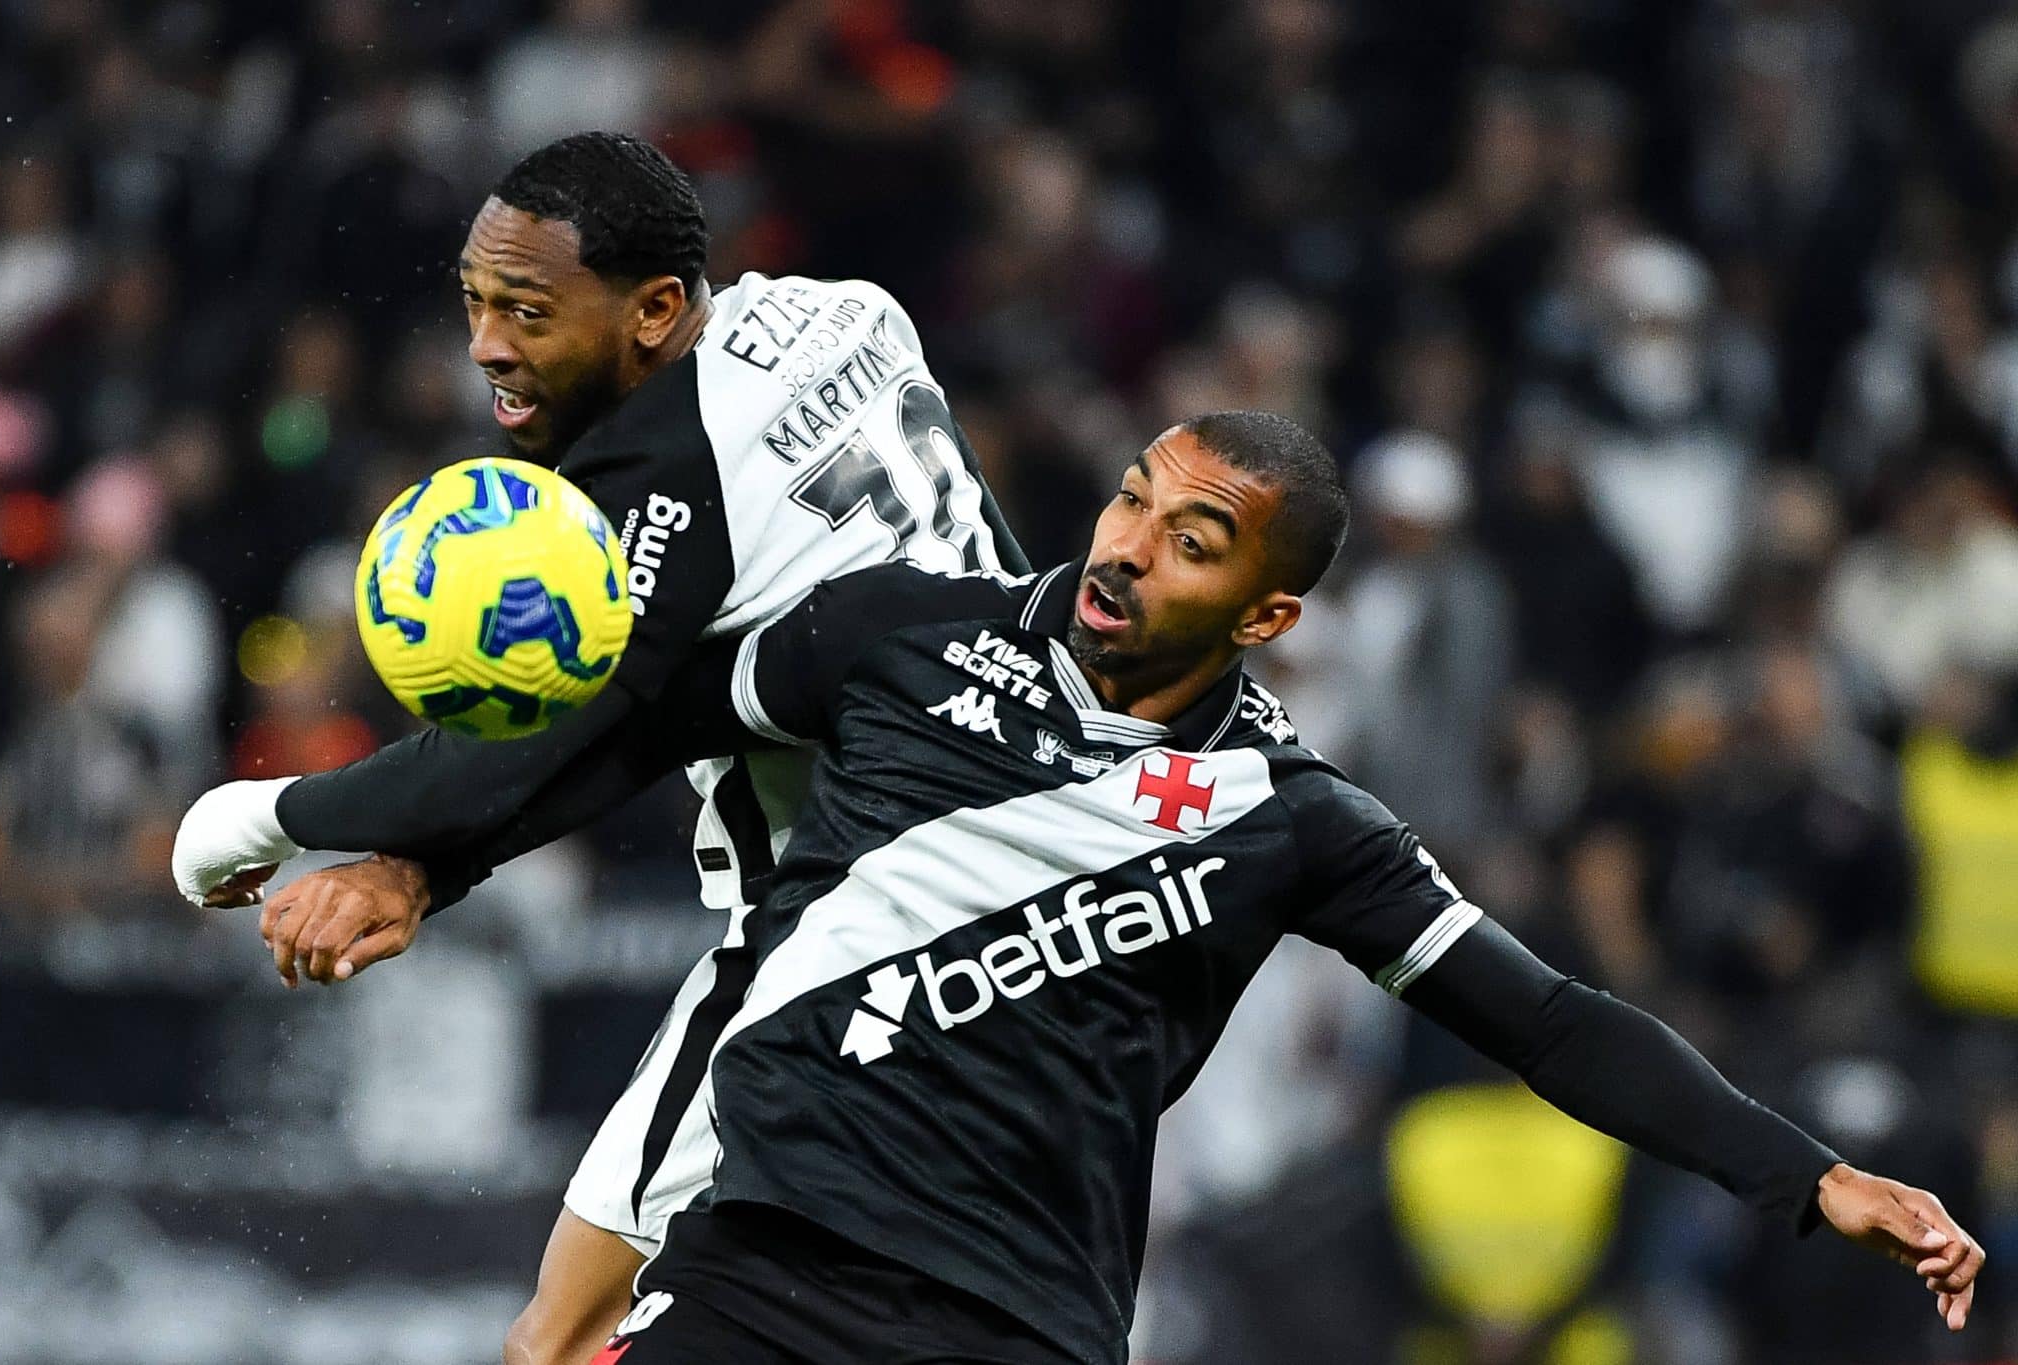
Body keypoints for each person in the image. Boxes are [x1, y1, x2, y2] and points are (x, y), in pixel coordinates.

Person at [564, 411, 1976, 1362]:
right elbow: (632, 716)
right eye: (1132, 497)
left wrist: (1808, 1176)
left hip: (1010, 1316)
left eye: (1191, 540)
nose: (1127, 546)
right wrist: (433, 829)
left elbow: (1550, 1022)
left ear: (1267, 615)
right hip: (762, 1256)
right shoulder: (913, 640)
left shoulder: (1293, 820)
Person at [169, 130, 1026, 1365]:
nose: (485, 345)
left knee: (566, 1336)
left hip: (860, 917)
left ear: (656, 310)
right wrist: (424, 871)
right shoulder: (846, 311)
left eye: (527, 312)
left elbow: (518, 750)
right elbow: (651, 719)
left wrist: (261, 815)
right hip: (1042, 868)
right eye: (474, 302)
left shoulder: (663, 462)